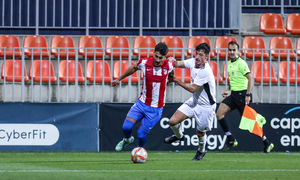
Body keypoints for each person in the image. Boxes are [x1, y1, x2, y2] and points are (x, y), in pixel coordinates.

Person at [111, 42, 174, 151]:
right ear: (153, 53)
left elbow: (172, 75)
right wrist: (119, 79)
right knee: (126, 127)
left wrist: (169, 80)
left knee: (141, 134)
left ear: (165, 57)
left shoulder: (168, 66)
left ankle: (139, 151)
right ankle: (127, 139)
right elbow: (133, 68)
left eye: (161, 58)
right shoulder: (144, 62)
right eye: (156, 56)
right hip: (141, 103)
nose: (158, 60)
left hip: (156, 109)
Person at [216, 41, 274, 153]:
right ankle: (231, 139)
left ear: (238, 51)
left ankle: (267, 142)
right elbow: (232, 79)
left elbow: (250, 78)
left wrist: (248, 94)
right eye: (230, 50)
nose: (232, 52)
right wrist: (228, 90)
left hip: (243, 95)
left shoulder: (241, 63)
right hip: (233, 95)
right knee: (219, 113)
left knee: (251, 123)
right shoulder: (229, 63)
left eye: (234, 50)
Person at [165, 43, 216, 161]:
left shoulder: (206, 71)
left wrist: (176, 80)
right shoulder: (193, 61)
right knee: (172, 121)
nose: (197, 57)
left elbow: (193, 88)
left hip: (206, 106)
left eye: (201, 55)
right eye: (196, 53)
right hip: (194, 101)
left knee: (200, 132)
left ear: (206, 57)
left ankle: (201, 151)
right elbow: (178, 63)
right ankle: (179, 136)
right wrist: (172, 60)